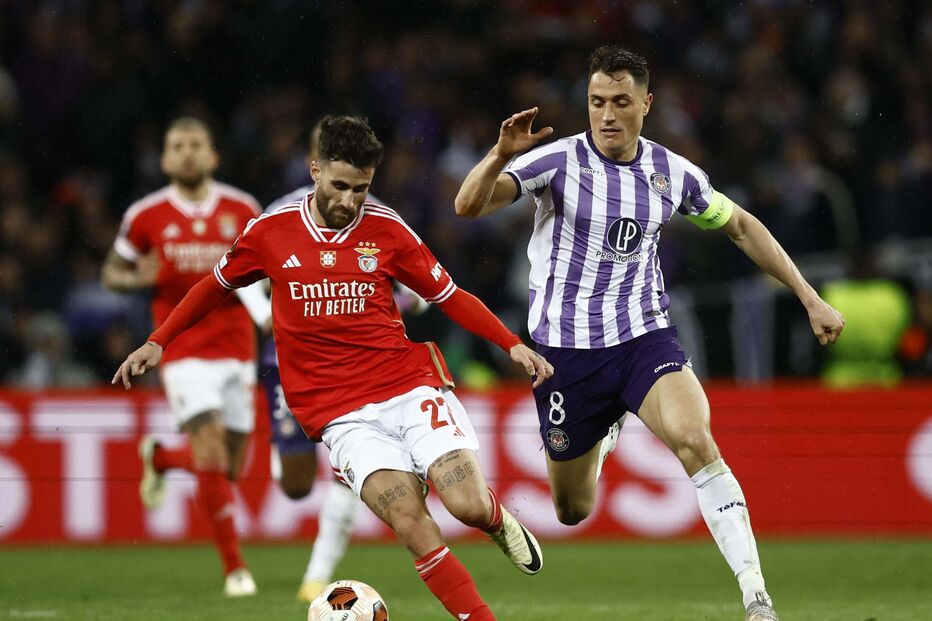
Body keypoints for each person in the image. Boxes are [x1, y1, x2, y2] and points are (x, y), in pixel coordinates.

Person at [454, 45, 846, 621]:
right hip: (566, 355)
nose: (607, 115)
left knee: (694, 438)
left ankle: (756, 596)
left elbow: (738, 224)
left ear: (646, 104)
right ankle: (605, 429)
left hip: (644, 338)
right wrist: (497, 156)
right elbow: (467, 207)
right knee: (571, 508)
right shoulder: (556, 163)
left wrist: (810, 297)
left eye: (620, 102)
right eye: (595, 102)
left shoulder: (672, 174)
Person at [113, 115, 553, 621]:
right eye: (339, 186)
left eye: (361, 189)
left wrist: (510, 344)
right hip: (339, 414)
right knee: (411, 523)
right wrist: (158, 340)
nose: (348, 201)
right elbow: (214, 286)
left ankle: (497, 521)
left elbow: (448, 296)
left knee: (467, 507)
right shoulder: (270, 233)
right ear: (315, 170)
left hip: (408, 386)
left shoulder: (386, 229)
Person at [102, 117, 269, 597]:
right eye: (178, 146)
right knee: (212, 449)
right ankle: (236, 570)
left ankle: (161, 457)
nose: (188, 153)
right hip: (182, 348)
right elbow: (111, 272)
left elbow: (265, 271)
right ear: (165, 160)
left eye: (196, 144)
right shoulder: (146, 215)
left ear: (214, 155)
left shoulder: (244, 208)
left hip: (238, 347)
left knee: (229, 467)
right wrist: (138, 278)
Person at [263, 121, 428, 602]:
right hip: (292, 364)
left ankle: (316, 574)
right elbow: (246, 280)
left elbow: (423, 288)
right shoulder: (277, 215)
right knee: (294, 483)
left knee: (347, 468)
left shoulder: (380, 219)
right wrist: (262, 319)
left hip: (362, 372)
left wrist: (371, 311)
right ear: (315, 161)